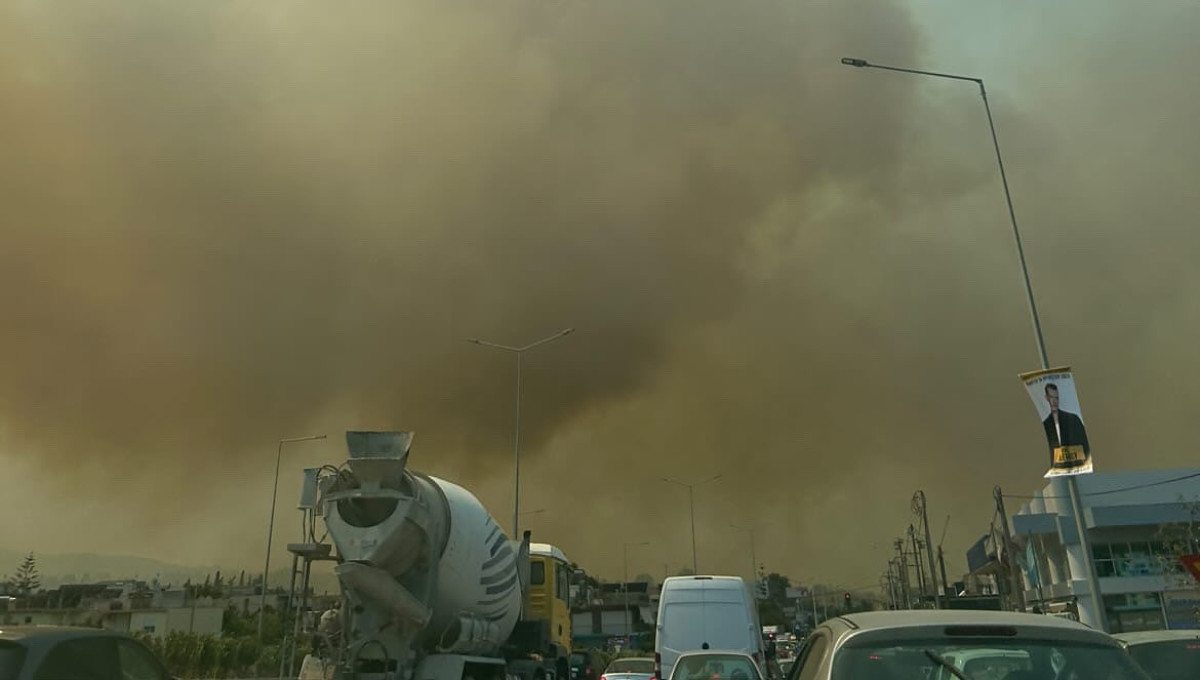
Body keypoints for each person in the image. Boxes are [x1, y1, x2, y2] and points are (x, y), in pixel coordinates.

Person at [1041, 383, 1089, 467]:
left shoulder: (1073, 419)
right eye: (1052, 397)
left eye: (1056, 398)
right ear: (1047, 398)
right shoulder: (1046, 424)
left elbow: (1085, 447)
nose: (1054, 401)